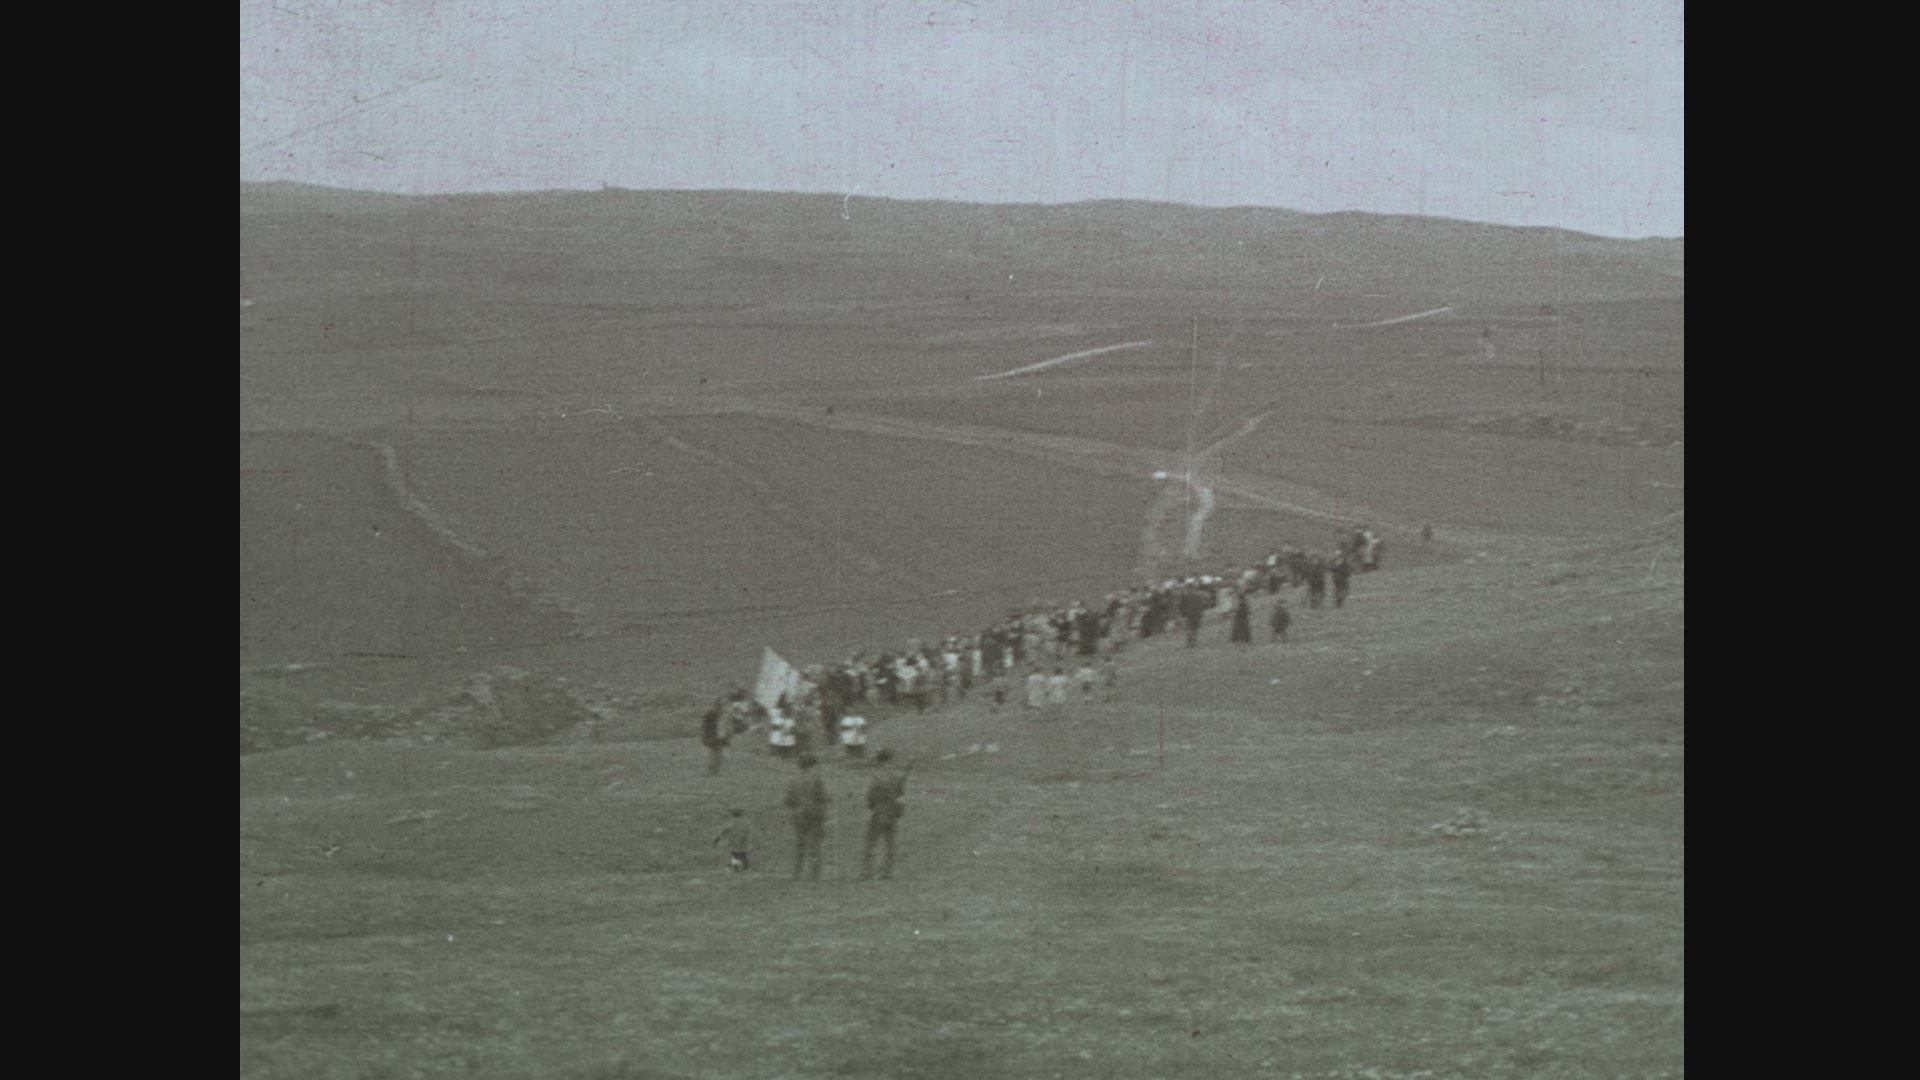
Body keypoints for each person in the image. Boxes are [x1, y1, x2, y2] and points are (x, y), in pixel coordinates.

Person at [861, 750, 910, 880]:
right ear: (890, 759)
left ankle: (867, 873)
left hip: (878, 813)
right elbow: (901, 796)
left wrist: (873, 806)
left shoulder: (875, 777)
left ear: (879, 761)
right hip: (892, 813)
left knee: (870, 844)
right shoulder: (896, 776)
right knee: (890, 845)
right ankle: (887, 873)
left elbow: (870, 797)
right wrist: (898, 811)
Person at [783, 754, 829, 881]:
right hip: (814, 816)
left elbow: (788, 801)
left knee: (800, 845)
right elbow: (823, 798)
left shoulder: (793, 780)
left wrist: (796, 809)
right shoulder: (817, 780)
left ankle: (797, 873)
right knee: (815, 846)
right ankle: (815, 875)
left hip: (799, 816)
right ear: (812, 765)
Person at [711, 808, 751, 873]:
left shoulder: (731, 822)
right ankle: (746, 867)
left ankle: (736, 868)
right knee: (743, 852)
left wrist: (717, 839)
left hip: (733, 839)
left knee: (735, 854)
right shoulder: (745, 822)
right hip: (743, 839)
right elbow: (747, 830)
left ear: (733, 814)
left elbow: (723, 831)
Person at [701, 696, 730, 775]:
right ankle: (710, 770)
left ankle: (715, 771)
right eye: (722, 704)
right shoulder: (710, 714)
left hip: (719, 736)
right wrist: (706, 737)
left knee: (718, 755)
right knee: (713, 754)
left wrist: (725, 738)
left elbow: (725, 727)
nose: (723, 706)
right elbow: (706, 727)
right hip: (713, 736)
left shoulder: (723, 714)